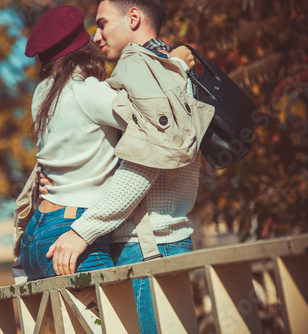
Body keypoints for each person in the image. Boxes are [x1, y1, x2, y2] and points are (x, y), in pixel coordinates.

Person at [37, 0, 215, 332]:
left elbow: (145, 166)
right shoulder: (140, 76)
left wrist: (82, 230)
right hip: (125, 243)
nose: (96, 35)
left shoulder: (167, 79)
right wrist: (50, 180)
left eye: (102, 23)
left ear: (133, 17)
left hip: (150, 245)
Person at [15, 5, 197, 284]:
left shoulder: (41, 94)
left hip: (36, 235)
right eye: (93, 32)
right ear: (83, 48)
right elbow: (156, 119)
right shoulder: (90, 93)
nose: (98, 38)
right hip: (68, 229)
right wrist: (177, 66)